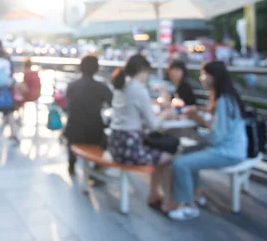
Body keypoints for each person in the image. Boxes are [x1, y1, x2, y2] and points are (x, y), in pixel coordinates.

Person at [168, 61, 248, 220]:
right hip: (231, 147)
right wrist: (199, 116)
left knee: (180, 163)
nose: (201, 78)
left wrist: (197, 123)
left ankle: (189, 206)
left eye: (204, 74)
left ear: (214, 77)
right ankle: (196, 194)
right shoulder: (226, 98)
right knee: (186, 152)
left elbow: (215, 138)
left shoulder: (224, 101)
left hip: (228, 152)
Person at [107, 54, 177, 209]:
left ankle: (154, 194)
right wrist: (166, 114)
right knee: (167, 157)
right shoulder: (139, 90)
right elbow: (153, 125)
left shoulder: (121, 86)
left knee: (158, 150)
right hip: (129, 147)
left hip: (115, 144)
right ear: (142, 70)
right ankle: (165, 199)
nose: (148, 76)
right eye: (148, 72)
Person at [64, 55, 113, 175]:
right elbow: (113, 103)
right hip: (93, 133)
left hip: (73, 132)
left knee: (74, 125)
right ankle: (97, 167)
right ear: (97, 68)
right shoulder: (101, 87)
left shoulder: (72, 85)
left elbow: (68, 105)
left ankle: (72, 163)